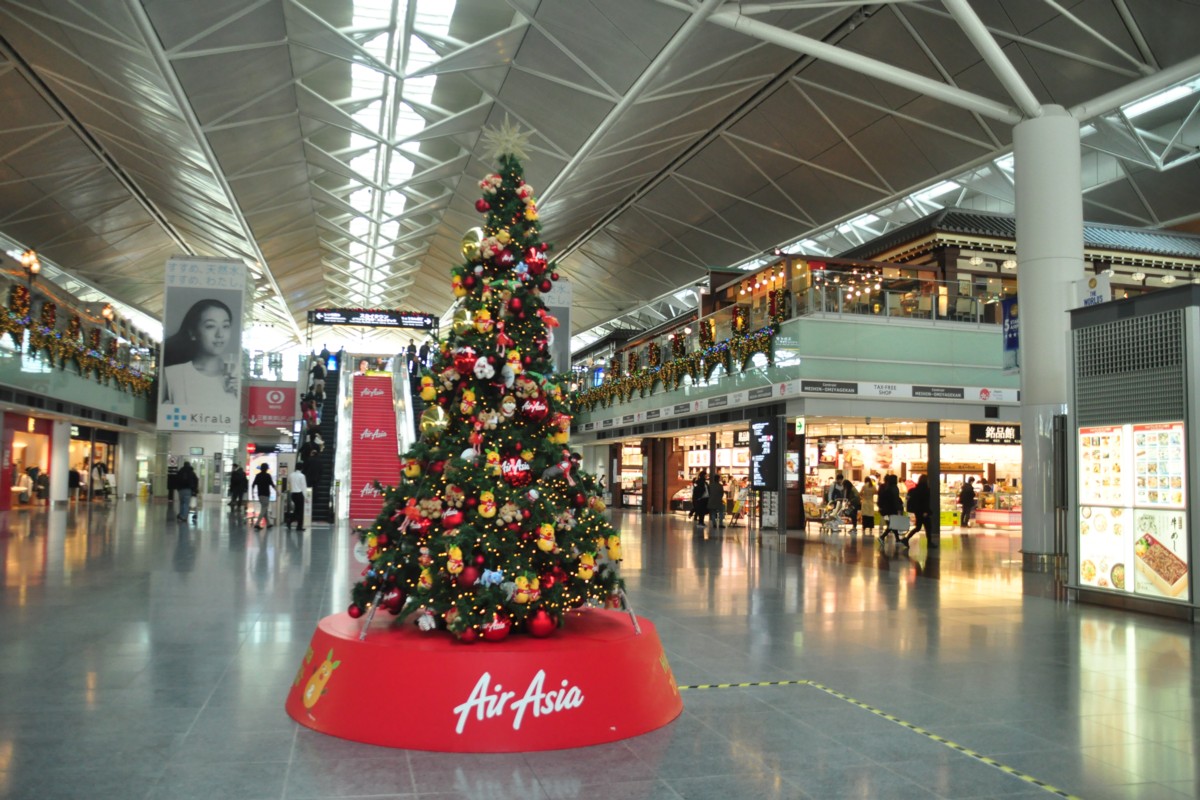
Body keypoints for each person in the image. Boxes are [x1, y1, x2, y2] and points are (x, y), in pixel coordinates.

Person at [161, 299, 238, 405]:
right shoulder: (173, 375)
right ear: (192, 333)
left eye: (225, 326)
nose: (220, 334)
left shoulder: (237, 376)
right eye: (210, 326)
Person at [902, 474, 931, 547]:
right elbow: (925, 502)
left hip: (917, 511)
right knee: (928, 527)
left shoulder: (916, 489)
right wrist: (926, 511)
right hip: (923, 511)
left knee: (918, 527)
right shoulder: (926, 490)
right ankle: (929, 543)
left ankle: (906, 539)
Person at [877, 474, 903, 542]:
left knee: (891, 524)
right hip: (892, 509)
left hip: (886, 509)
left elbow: (881, 498)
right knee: (892, 524)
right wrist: (899, 508)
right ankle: (882, 537)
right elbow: (896, 499)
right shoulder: (894, 488)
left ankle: (896, 538)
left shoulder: (886, 488)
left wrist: (880, 506)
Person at [252, 463, 275, 529]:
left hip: (260, 495)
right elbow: (272, 485)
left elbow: (253, 485)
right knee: (263, 509)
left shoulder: (258, 475)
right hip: (266, 494)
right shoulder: (268, 475)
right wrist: (277, 491)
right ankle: (257, 524)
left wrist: (252, 493)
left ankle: (268, 524)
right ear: (266, 468)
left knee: (265, 509)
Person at [286, 467, 307, 531]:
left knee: (297, 510)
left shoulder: (291, 475)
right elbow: (303, 487)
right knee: (300, 511)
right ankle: (299, 526)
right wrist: (305, 497)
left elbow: (289, 482)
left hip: (293, 494)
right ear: (301, 468)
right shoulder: (302, 476)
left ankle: (290, 521)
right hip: (299, 494)